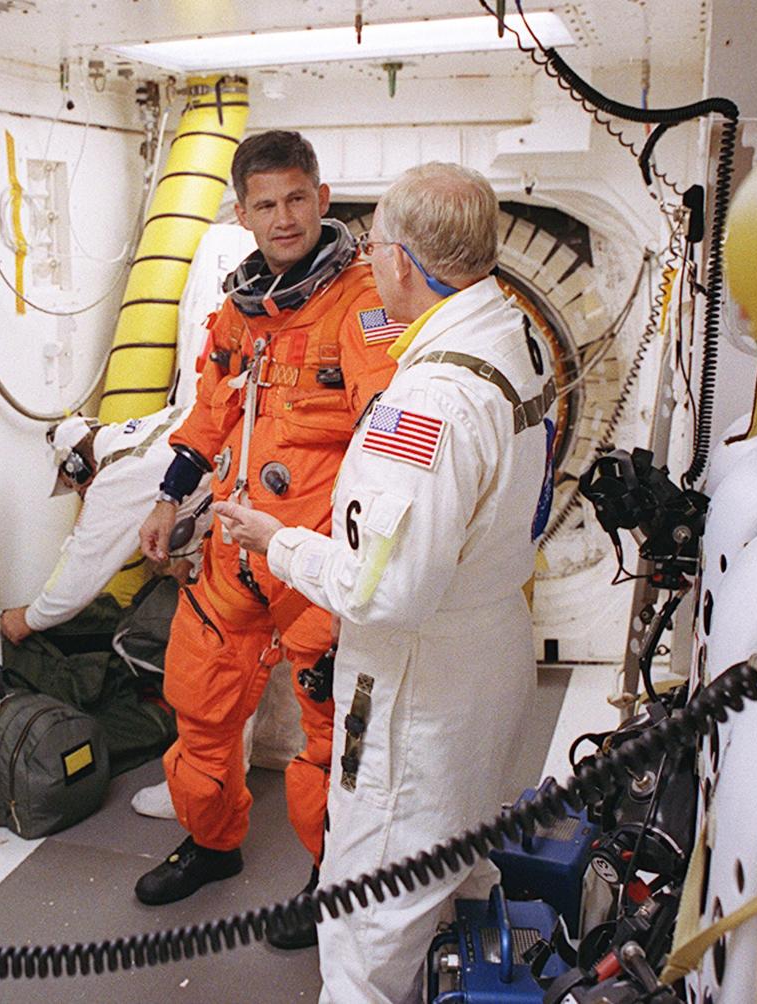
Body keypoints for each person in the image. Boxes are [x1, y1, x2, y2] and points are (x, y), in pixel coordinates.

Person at [216, 162, 557, 1002]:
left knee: (369, 914)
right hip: (489, 652)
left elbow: (386, 590)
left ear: (402, 260)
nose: (368, 264)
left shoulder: (429, 402)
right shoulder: (516, 340)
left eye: (375, 250)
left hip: (419, 681)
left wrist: (280, 542)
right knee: (456, 855)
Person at [132, 131, 400, 942]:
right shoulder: (238, 311)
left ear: (321, 199)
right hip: (233, 552)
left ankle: (330, 882)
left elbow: (390, 435)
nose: (283, 218)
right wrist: (167, 499)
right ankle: (214, 845)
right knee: (200, 706)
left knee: (329, 741)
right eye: (265, 204)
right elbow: (210, 414)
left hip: (316, 562)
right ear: (243, 213)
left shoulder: (366, 305)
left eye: (296, 199)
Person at [0, 405, 207, 647]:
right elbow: (199, 490)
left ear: (76, 466)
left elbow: (80, 574)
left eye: (74, 484)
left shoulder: (114, 480)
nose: (81, 493)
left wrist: (28, 619)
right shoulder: (147, 426)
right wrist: (190, 561)